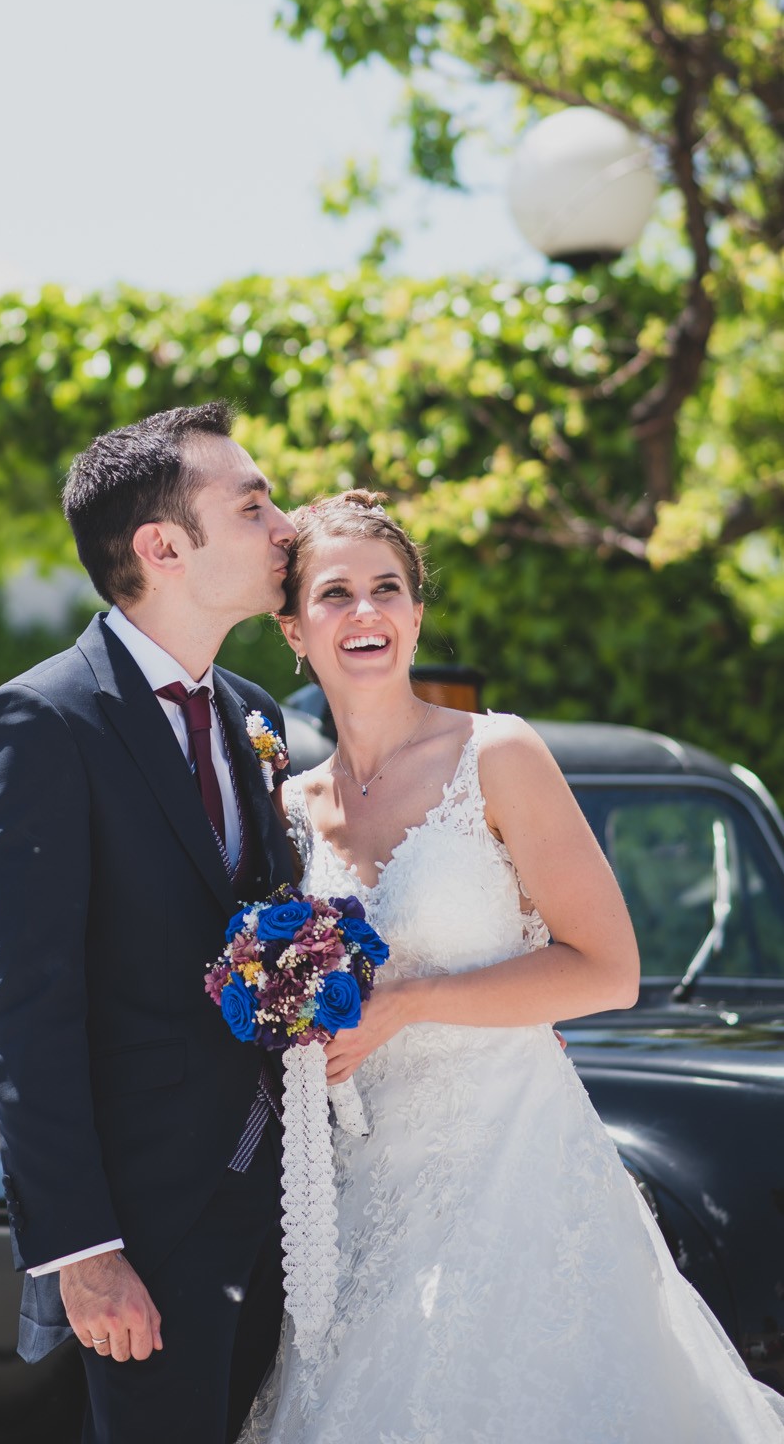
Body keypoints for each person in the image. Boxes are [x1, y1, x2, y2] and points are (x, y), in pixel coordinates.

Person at [243, 487, 784, 1444]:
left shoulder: (495, 753)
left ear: (414, 611)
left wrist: (406, 1002)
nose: (364, 612)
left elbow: (607, 971)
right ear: (292, 628)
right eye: (333, 594)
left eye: (387, 589)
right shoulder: (286, 806)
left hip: (514, 1168)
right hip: (360, 1193)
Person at [0, 402, 298, 1444]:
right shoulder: (44, 719)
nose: (285, 524)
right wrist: (85, 1253)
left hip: (294, 1213)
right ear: (162, 546)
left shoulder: (258, 714)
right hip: (148, 1236)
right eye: (252, 504)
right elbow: (29, 1006)